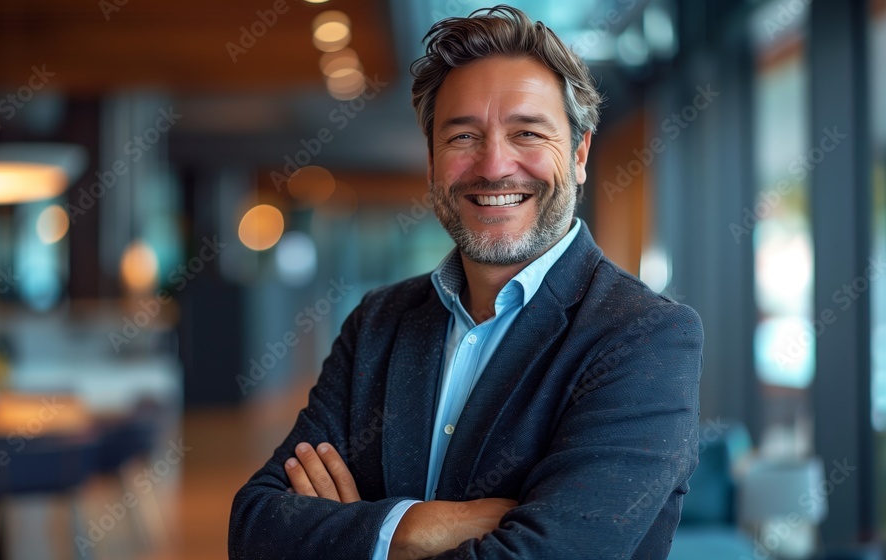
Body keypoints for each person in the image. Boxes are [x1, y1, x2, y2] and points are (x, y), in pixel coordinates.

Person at [230, 5, 702, 559]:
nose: (494, 165)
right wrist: (417, 528)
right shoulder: (378, 322)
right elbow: (256, 528)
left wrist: (357, 533)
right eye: (462, 136)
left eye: (527, 132)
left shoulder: (645, 336)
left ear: (578, 154)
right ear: (431, 163)